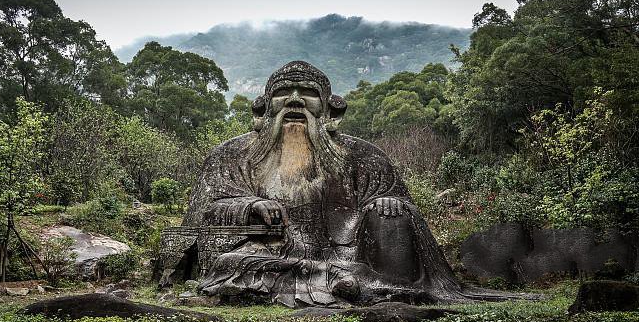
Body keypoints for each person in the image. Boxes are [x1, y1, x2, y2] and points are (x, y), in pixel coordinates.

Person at [184, 61, 509, 307]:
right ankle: (339, 280)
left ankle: (357, 280)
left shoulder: (364, 156)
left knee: (391, 214)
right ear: (264, 107)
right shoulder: (231, 155)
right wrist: (249, 207)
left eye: (308, 94)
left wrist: (389, 204)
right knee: (230, 265)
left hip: (348, 255)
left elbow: (401, 211)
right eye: (283, 94)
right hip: (269, 256)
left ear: (328, 110)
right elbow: (206, 216)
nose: (295, 101)